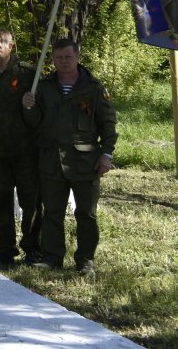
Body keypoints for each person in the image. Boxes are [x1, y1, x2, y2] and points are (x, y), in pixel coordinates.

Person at [22, 38, 117, 275]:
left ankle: (85, 261)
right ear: (52, 59)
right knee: (52, 212)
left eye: (68, 57)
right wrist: (28, 106)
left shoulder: (93, 88)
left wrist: (106, 154)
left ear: (77, 57)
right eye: (59, 58)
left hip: (85, 162)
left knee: (86, 213)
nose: (63, 62)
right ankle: (52, 257)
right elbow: (34, 123)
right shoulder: (43, 87)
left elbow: (108, 124)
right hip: (52, 161)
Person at [0, 27, 42, 269]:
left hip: (26, 151)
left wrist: (30, 106)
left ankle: (33, 250)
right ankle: (4, 252)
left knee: (31, 203)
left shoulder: (28, 75)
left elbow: (41, 114)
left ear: (10, 47)